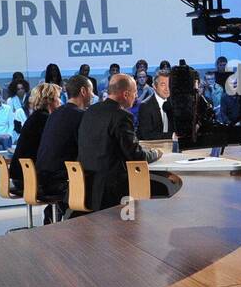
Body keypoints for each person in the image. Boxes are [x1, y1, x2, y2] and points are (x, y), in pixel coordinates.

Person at [77, 73, 163, 211]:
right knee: (163, 187)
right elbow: (136, 156)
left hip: (86, 185)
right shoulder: (122, 116)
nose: (135, 97)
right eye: (135, 93)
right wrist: (156, 153)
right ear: (126, 94)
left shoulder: (91, 111)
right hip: (111, 189)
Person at [34, 74, 92, 220]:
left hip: (41, 178)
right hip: (59, 182)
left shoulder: (54, 114)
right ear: (83, 91)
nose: (93, 95)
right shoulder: (81, 116)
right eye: (91, 91)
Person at [9, 82, 62, 193]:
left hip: (20, 176)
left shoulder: (36, 117)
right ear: (49, 100)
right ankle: (57, 210)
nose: (60, 102)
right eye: (58, 97)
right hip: (28, 178)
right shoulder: (45, 119)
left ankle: (54, 209)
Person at [137, 70, 175, 141]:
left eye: (169, 84)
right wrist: (172, 135)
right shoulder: (145, 106)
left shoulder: (174, 103)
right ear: (154, 86)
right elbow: (146, 135)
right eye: (163, 85)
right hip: (153, 147)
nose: (167, 89)